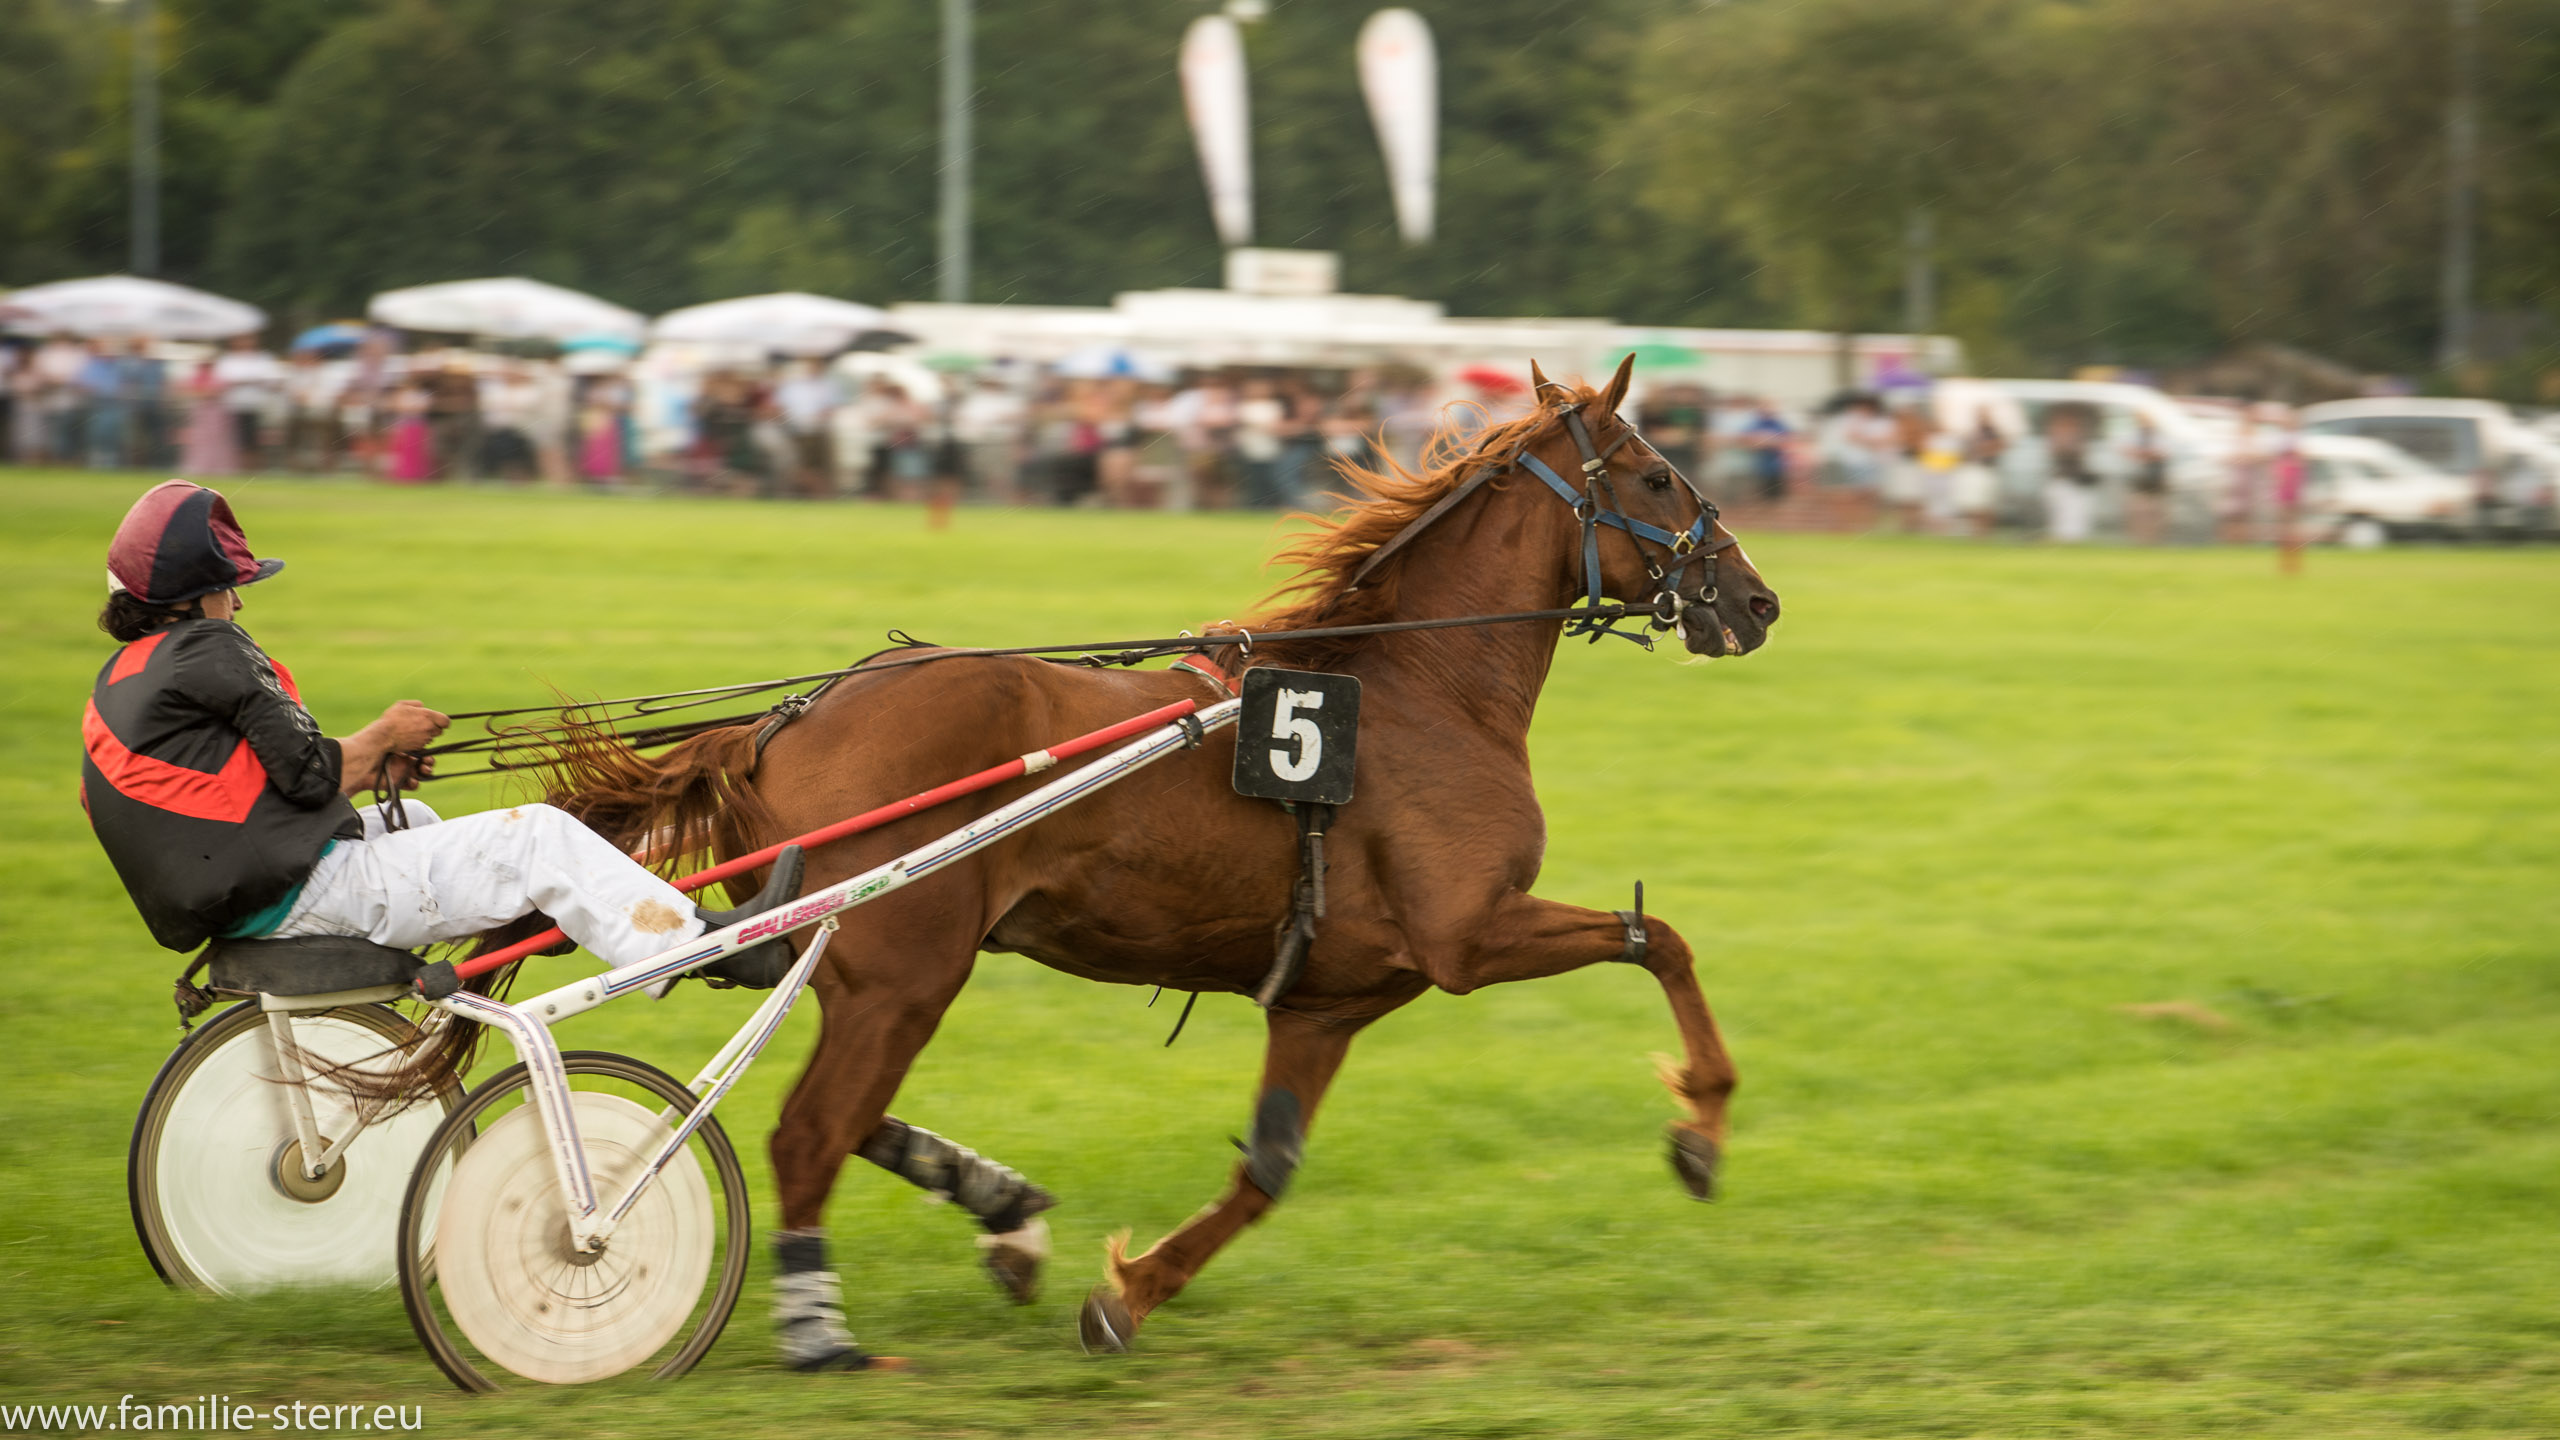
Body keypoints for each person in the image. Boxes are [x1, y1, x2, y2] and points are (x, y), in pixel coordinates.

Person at [80, 480, 807, 990]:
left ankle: (566, 914)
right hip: (295, 895)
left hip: (247, 903)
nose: (237, 600)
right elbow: (305, 777)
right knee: (539, 835)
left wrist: (373, 765)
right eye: (229, 585)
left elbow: (237, 792)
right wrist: (386, 732)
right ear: (193, 594)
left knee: (420, 821)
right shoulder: (211, 646)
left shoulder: (121, 682)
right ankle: (705, 950)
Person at [212, 335, 287, 471]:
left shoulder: (263, 358)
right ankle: (239, 467)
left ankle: (256, 467)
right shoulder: (228, 359)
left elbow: (275, 381)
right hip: (234, 405)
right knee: (238, 439)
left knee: (255, 439)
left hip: (259, 405)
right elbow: (220, 381)